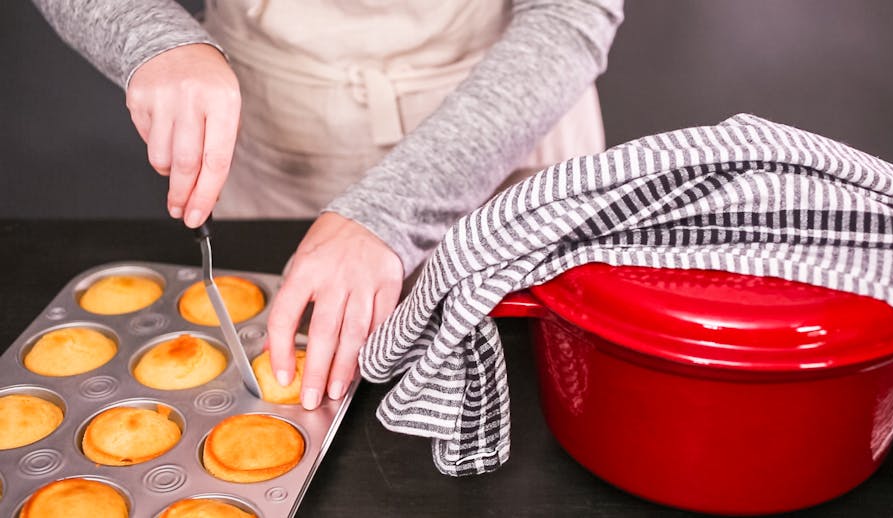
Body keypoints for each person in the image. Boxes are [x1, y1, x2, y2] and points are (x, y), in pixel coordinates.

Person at [32, 0, 624, 410]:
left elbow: (571, 13)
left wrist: (391, 209)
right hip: (277, 137)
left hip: (504, 141)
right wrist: (158, 40)